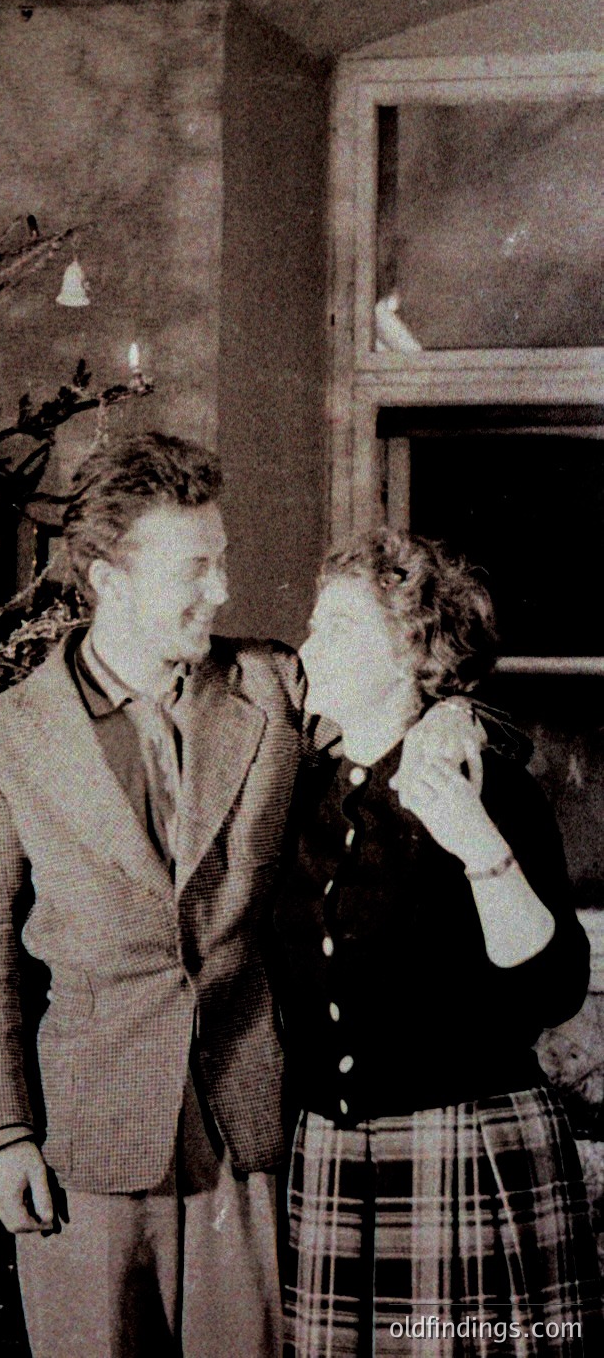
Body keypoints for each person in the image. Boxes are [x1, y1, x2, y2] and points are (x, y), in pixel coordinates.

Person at [0, 435, 479, 1357]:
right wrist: (0, 1134)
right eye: (196, 567)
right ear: (108, 579)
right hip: (87, 1145)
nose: (223, 590)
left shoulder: (272, 685)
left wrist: (452, 712)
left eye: (220, 561)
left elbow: (401, 673)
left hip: (249, 1131)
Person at [272, 529, 600, 1358]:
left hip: (461, 1148)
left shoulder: (484, 780)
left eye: (340, 628)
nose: (308, 647)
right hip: (331, 1153)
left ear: (412, 655)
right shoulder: (300, 789)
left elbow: (553, 986)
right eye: (314, 624)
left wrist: (473, 840)